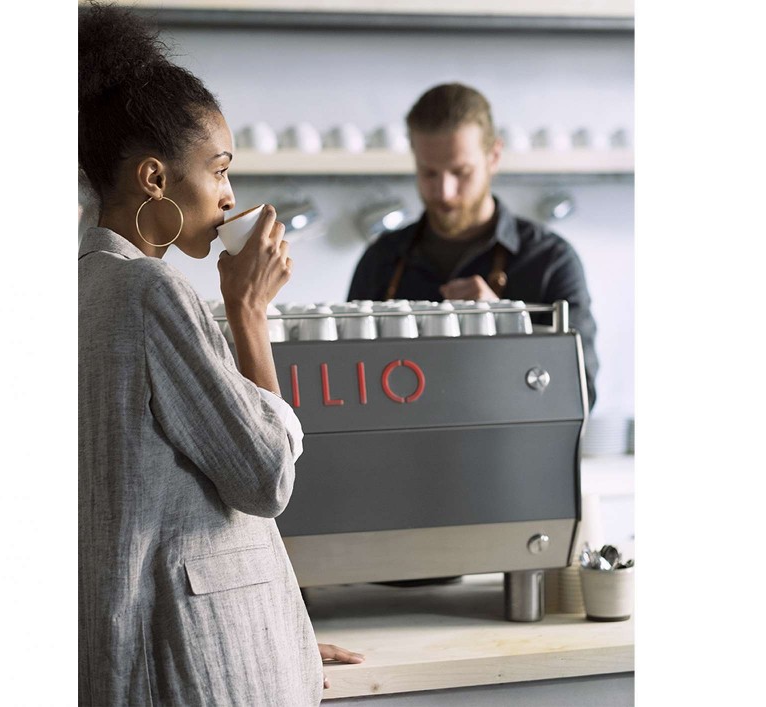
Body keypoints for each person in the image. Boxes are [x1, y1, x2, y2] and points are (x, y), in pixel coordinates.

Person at [78, 4, 362, 705]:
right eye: (218, 168)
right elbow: (264, 476)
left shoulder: (83, 282)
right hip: (185, 666)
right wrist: (249, 311)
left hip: (130, 645)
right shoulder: (151, 293)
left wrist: (271, 624)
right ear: (154, 179)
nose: (229, 194)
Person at [348, 83, 599, 409]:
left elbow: (582, 393)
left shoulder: (551, 261)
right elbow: (350, 387)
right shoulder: (380, 259)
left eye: (460, 172)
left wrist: (509, 326)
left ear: (493, 156)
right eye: (429, 173)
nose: (444, 191)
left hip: (510, 458)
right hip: (399, 458)